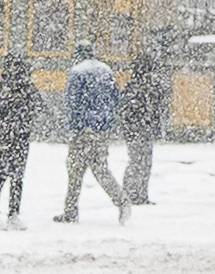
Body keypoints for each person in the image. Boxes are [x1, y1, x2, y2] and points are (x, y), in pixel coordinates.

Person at [58, 46, 125, 224]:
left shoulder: (77, 72)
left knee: (75, 169)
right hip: (101, 129)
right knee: (100, 168)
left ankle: (70, 211)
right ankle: (121, 200)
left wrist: (72, 125)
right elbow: (115, 97)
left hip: (82, 129)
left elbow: (72, 102)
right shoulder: (105, 70)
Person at [0, 53, 40, 223]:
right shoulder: (26, 88)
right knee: (15, 177)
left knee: (1, 176)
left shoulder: (0, 86)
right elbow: (37, 106)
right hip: (18, 136)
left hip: (5, 136)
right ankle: (11, 213)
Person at [117, 40, 169, 210]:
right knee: (142, 161)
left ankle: (132, 193)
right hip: (142, 129)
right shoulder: (146, 87)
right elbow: (157, 104)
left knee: (137, 161)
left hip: (135, 129)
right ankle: (137, 193)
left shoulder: (133, 86)